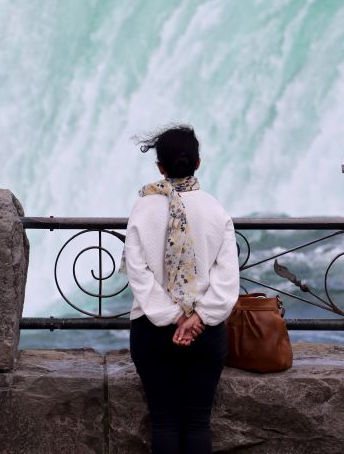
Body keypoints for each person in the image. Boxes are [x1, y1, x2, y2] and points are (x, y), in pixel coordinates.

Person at [123, 125, 239, 454]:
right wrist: (197, 318)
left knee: (164, 421)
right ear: (198, 163)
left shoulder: (142, 209)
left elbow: (138, 272)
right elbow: (228, 277)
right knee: (198, 421)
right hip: (206, 332)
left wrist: (171, 316)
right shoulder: (217, 211)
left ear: (159, 166)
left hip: (151, 329)